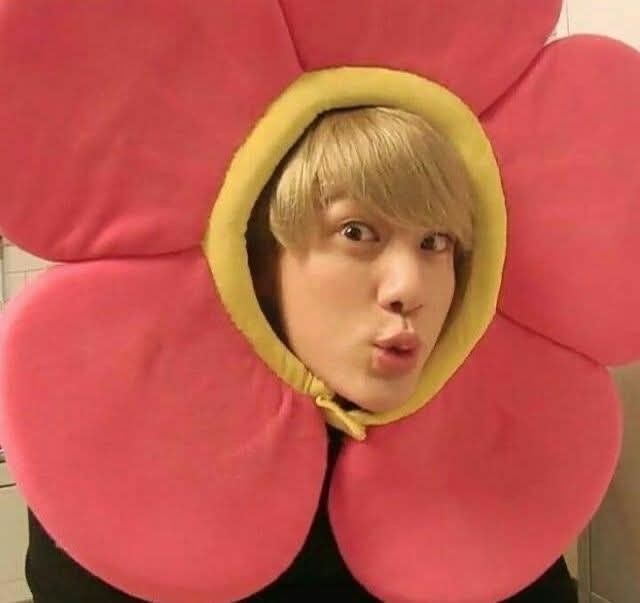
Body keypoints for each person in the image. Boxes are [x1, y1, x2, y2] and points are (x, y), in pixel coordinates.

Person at [23, 106, 578, 601]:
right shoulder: (127, 466)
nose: (409, 287)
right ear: (261, 263)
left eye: (435, 243)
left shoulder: (481, 460)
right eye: (357, 233)